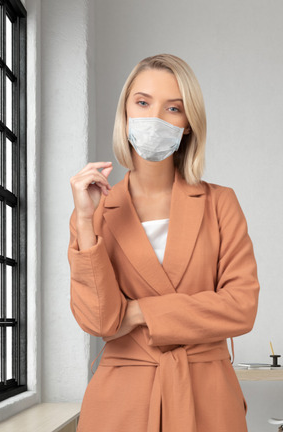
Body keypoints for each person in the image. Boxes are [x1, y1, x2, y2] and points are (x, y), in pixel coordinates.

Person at [68, 54, 260, 432]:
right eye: (143, 103)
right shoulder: (94, 210)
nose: (155, 118)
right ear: (125, 113)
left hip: (206, 396)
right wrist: (87, 221)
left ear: (188, 124)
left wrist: (139, 312)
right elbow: (99, 320)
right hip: (122, 401)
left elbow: (241, 308)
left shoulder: (220, 202)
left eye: (173, 108)